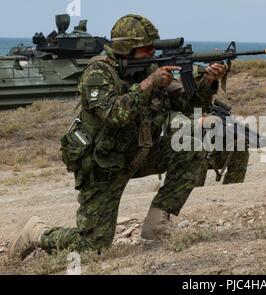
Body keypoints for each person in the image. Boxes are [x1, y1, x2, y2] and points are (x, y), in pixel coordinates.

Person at [8, 14, 226, 259]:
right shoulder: (98, 73)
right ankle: (36, 232)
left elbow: (187, 104)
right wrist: (147, 85)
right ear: (126, 48)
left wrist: (207, 82)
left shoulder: (150, 69)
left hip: (138, 154)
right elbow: (114, 114)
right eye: (146, 48)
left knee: (190, 146)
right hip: (103, 165)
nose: (152, 52)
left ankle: (157, 226)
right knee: (93, 247)